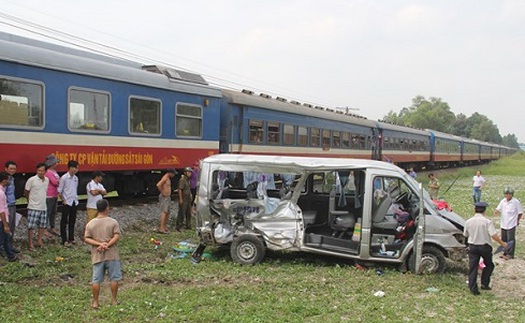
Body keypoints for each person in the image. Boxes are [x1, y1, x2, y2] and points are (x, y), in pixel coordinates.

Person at [84, 199, 121, 309]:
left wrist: (100, 244)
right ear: (107, 208)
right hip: (112, 254)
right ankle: (114, 300)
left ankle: (95, 302)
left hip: (97, 255)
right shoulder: (113, 222)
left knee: (96, 280)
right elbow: (116, 236)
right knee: (114, 278)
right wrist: (107, 245)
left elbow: (86, 238)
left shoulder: (91, 223)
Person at [464, 202, 507, 295]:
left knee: (473, 267)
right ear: (484, 211)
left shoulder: (468, 221)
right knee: (489, 265)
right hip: (484, 247)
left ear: (474, 210)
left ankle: (473, 288)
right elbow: (493, 235)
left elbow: (465, 235)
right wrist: (502, 243)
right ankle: (484, 283)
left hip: (472, 246)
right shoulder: (487, 222)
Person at [24, 163, 49, 251]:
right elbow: (26, 191)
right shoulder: (32, 180)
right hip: (33, 206)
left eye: (42, 171)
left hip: (43, 206)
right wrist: (29, 201)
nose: (40, 172)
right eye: (39, 170)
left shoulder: (47, 180)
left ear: (45, 171)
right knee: (31, 226)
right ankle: (30, 243)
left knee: (42, 226)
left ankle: (39, 241)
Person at [494, 186, 523, 260]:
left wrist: (517, 220)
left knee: (511, 239)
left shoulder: (515, 202)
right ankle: (505, 252)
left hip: (511, 223)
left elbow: (520, 213)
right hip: (504, 223)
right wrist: (496, 211)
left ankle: (510, 254)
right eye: (506, 194)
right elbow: (498, 208)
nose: (508, 196)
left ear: (512, 194)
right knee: (504, 239)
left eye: (509, 194)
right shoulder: (503, 201)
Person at [58, 160, 79, 246]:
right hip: (67, 202)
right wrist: (63, 200)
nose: (77, 170)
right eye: (75, 168)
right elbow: (59, 191)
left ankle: (71, 238)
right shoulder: (64, 178)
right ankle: (64, 239)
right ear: (70, 168)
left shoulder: (75, 178)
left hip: (74, 201)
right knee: (64, 221)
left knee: (72, 220)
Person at [84, 171, 107, 239]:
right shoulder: (90, 184)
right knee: (90, 222)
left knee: (99, 222)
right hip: (92, 206)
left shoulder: (100, 185)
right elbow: (93, 193)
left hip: (99, 207)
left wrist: (98, 191)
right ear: (97, 177)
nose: (101, 178)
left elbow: (105, 192)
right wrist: (100, 191)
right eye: (100, 176)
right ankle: (86, 236)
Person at [0, 172, 17, 261]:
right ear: (4, 181)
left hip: (3, 218)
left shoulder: (2, 190)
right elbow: (1, 210)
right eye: (8, 179)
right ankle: (10, 256)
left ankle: (11, 256)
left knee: (6, 238)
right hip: (2, 220)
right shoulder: (1, 193)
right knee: (2, 239)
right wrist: (6, 224)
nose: (9, 181)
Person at [4, 161, 19, 252]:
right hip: (7, 206)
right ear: (6, 168)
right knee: (6, 227)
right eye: (11, 169)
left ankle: (10, 246)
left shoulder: (12, 179)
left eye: (14, 169)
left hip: (12, 205)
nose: (13, 170)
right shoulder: (4, 180)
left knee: (12, 227)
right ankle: (5, 248)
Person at [156, 168, 176, 234]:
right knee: (164, 212)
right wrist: (163, 192)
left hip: (168, 197)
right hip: (164, 197)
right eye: (173, 173)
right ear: (170, 173)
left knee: (168, 212)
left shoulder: (168, 178)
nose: (174, 175)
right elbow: (158, 185)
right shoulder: (165, 178)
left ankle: (164, 226)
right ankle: (161, 228)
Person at [44, 154, 61, 237]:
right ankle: (44, 228)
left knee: (53, 212)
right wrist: (59, 181)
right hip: (49, 195)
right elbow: (55, 182)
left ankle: (52, 226)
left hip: (54, 195)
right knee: (48, 212)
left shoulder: (54, 172)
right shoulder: (48, 172)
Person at [176, 167, 193, 231]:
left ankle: (188, 225)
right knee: (181, 213)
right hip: (184, 198)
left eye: (190, 172)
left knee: (188, 213)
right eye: (189, 172)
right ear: (185, 172)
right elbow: (180, 189)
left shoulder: (188, 180)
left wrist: (190, 195)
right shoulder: (182, 180)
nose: (190, 174)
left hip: (188, 198)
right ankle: (179, 226)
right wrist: (180, 199)